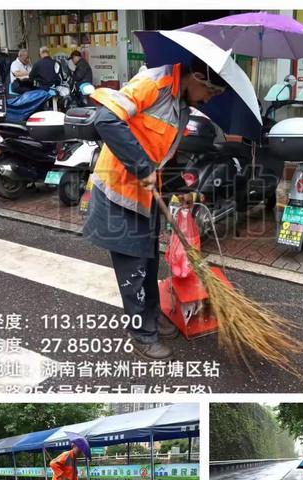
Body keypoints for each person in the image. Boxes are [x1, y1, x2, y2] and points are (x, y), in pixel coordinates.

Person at [83, 58, 227, 360]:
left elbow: (162, 157)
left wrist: (181, 189)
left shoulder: (182, 105)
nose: (208, 100)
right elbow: (105, 119)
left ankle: (152, 313)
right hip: (119, 192)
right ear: (198, 77)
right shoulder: (153, 82)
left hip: (147, 194)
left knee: (148, 261)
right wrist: (141, 166)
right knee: (132, 268)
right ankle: (141, 333)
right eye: (210, 92)